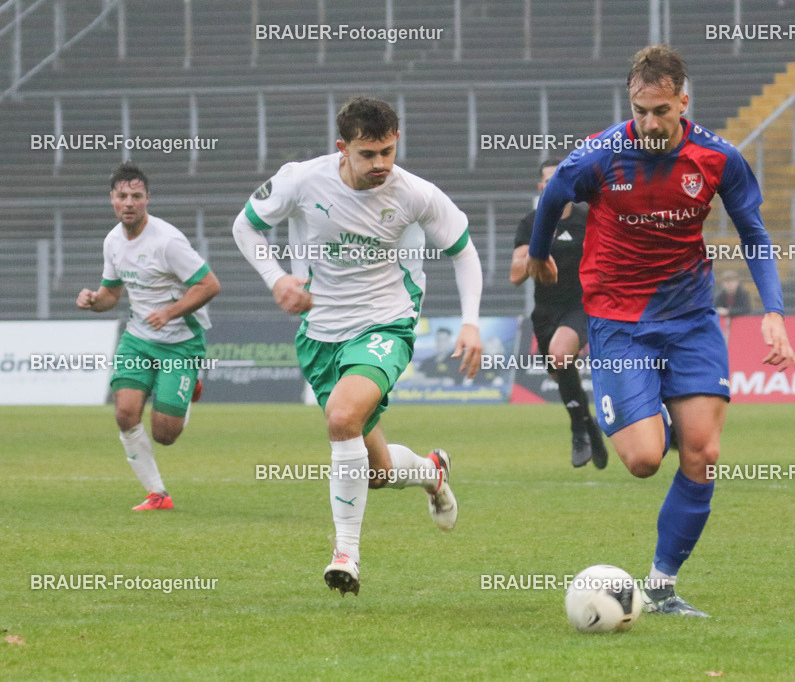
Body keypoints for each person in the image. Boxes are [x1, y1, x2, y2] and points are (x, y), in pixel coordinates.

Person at [526, 45, 795, 617]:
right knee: (646, 459)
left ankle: (661, 586)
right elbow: (553, 196)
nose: (649, 122)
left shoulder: (717, 158)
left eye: (660, 110)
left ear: (683, 102)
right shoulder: (600, 155)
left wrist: (772, 309)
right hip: (618, 319)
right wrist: (543, 255)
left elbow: (754, 232)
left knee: (703, 452)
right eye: (639, 110)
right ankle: (637, 410)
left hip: (691, 316)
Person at [233, 96, 483, 597]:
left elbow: (463, 251)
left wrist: (471, 322)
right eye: (369, 154)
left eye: (389, 151)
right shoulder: (302, 181)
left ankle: (345, 552)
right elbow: (246, 226)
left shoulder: (414, 193)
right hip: (320, 333)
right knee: (377, 473)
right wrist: (275, 278)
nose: (381, 165)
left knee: (342, 417)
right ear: (342, 149)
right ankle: (432, 472)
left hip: (386, 324)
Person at [76, 162, 220, 511]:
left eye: (136, 196)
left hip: (181, 341)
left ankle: (187, 391)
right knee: (125, 413)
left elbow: (210, 285)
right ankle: (158, 494)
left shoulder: (168, 241)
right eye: (122, 196)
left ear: (147, 200)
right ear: (112, 199)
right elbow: (111, 293)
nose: (129, 202)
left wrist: (169, 313)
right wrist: (95, 301)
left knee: (164, 435)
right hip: (138, 337)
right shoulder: (112, 241)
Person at [510, 159, 609, 469]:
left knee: (560, 354)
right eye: (548, 180)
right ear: (541, 187)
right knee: (560, 372)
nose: (554, 184)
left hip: (581, 305)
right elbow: (515, 276)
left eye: (560, 178)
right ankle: (586, 421)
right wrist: (535, 258)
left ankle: (578, 430)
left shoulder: (588, 219)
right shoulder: (531, 224)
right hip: (545, 311)